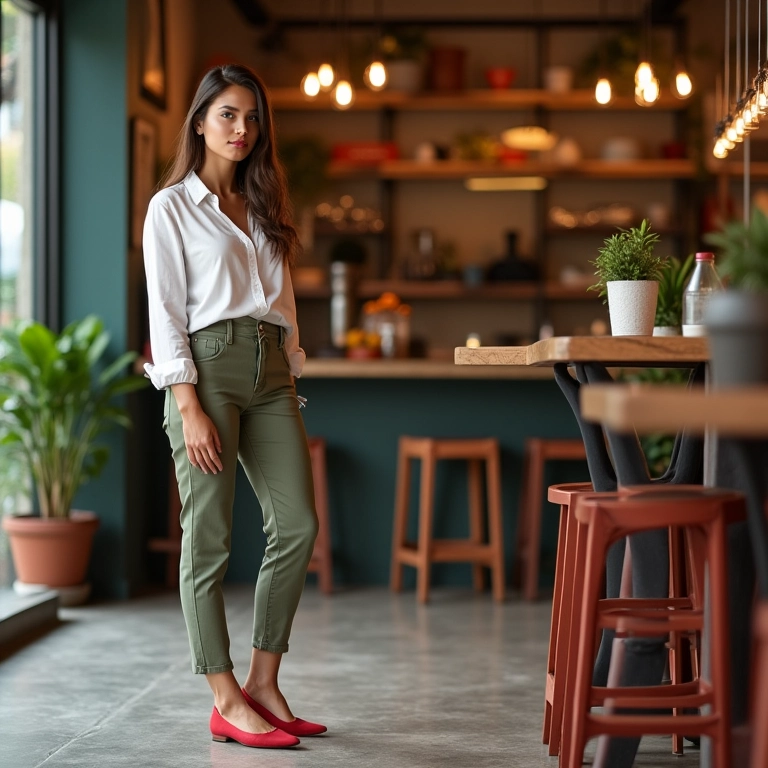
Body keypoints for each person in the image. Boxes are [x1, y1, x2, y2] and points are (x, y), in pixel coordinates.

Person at [142, 63, 323, 750]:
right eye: (227, 115)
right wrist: (186, 402)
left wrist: (289, 362)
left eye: (251, 117)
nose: (242, 129)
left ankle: (264, 682)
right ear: (199, 121)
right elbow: (164, 312)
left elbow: (283, 304)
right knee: (209, 540)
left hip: (271, 371)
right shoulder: (171, 208)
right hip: (206, 372)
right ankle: (224, 698)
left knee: (297, 525)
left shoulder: (265, 205)